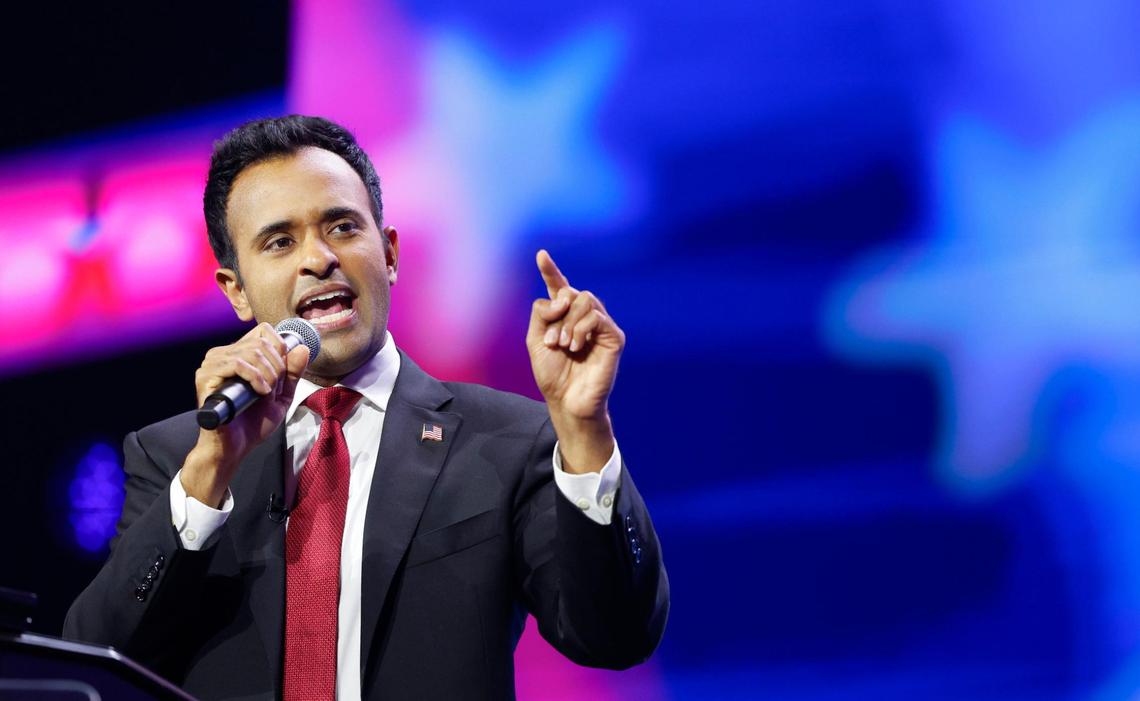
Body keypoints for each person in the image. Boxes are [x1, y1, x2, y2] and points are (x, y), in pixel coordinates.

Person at [63, 115, 668, 701]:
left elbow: (615, 635)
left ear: (391, 254)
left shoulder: (507, 439)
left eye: (343, 228)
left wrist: (584, 430)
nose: (318, 258)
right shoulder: (174, 456)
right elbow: (95, 665)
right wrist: (208, 473)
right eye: (279, 241)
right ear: (236, 291)